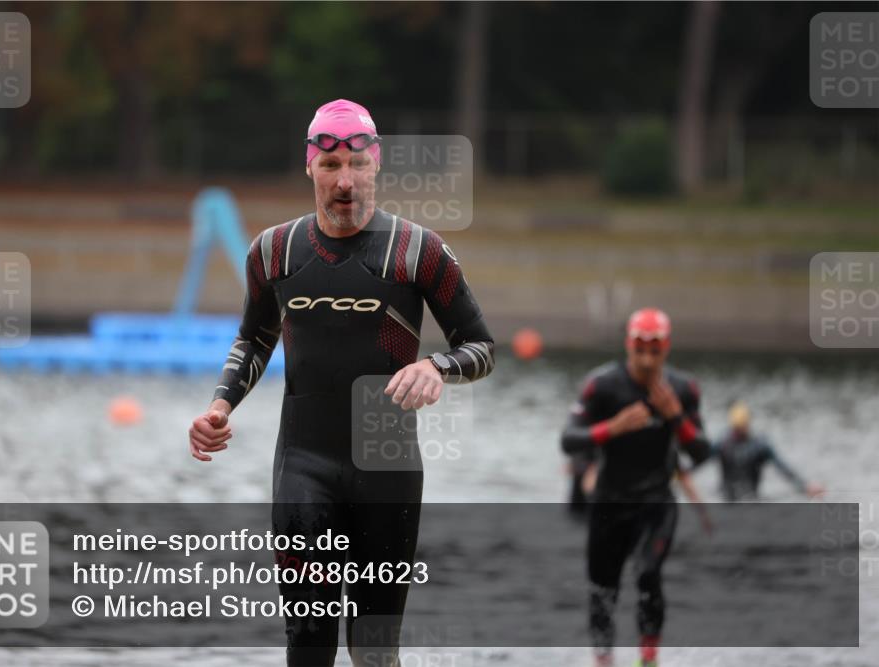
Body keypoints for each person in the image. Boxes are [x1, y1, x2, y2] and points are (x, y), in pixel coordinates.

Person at [188, 99, 495, 667]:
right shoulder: (274, 252)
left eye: (357, 164)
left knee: (375, 651)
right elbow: (253, 339)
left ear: (376, 163)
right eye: (331, 167)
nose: (345, 181)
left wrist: (437, 367)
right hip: (305, 463)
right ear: (310, 166)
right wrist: (219, 405)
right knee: (309, 644)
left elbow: (480, 347)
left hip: (387, 466)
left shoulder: (418, 251)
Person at [560, 307, 711, 667]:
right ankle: (604, 661)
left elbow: (702, 452)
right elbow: (569, 440)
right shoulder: (602, 385)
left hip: (656, 503)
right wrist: (612, 428)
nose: (646, 357)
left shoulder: (683, 389)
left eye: (654, 348)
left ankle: (648, 659)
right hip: (609, 503)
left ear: (667, 347)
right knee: (602, 590)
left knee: (648, 574)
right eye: (639, 347)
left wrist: (676, 417)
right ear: (628, 345)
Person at [709, 400, 824, 501]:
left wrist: (805, 486)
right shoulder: (722, 443)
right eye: (735, 428)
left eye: (740, 428)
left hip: (751, 498)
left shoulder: (759, 446)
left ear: (747, 424)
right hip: (727, 499)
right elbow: (700, 459)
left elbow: (782, 467)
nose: (737, 432)